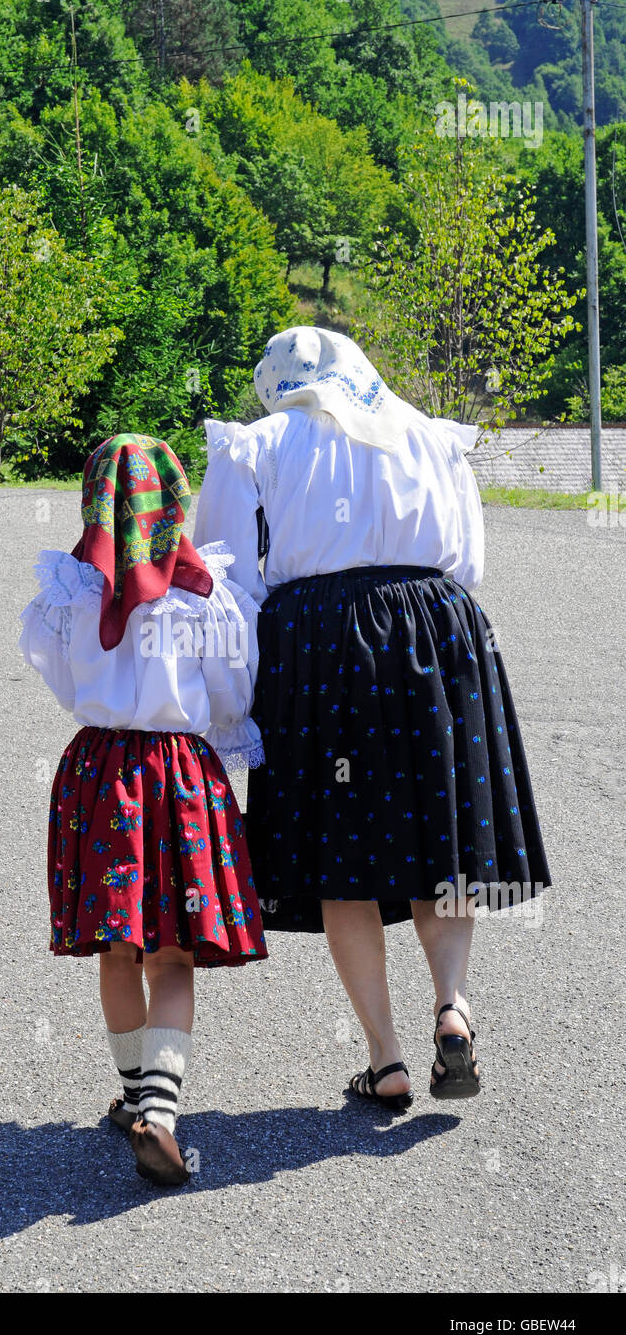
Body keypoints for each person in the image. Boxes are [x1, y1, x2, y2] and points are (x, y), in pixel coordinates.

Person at [193, 326, 551, 1109]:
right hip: (435, 627)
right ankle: (451, 1004)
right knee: (441, 833)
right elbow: (467, 563)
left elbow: (218, 577)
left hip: (319, 641)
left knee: (338, 846)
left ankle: (385, 1057)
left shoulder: (256, 445)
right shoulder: (427, 436)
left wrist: (232, 693)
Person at [18, 433, 267, 1185]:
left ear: (92, 499)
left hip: (99, 773)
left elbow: (59, 679)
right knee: (174, 951)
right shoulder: (204, 591)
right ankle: (160, 1107)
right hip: (180, 776)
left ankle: (132, 1097)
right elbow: (232, 693)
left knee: (118, 942)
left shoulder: (67, 589)